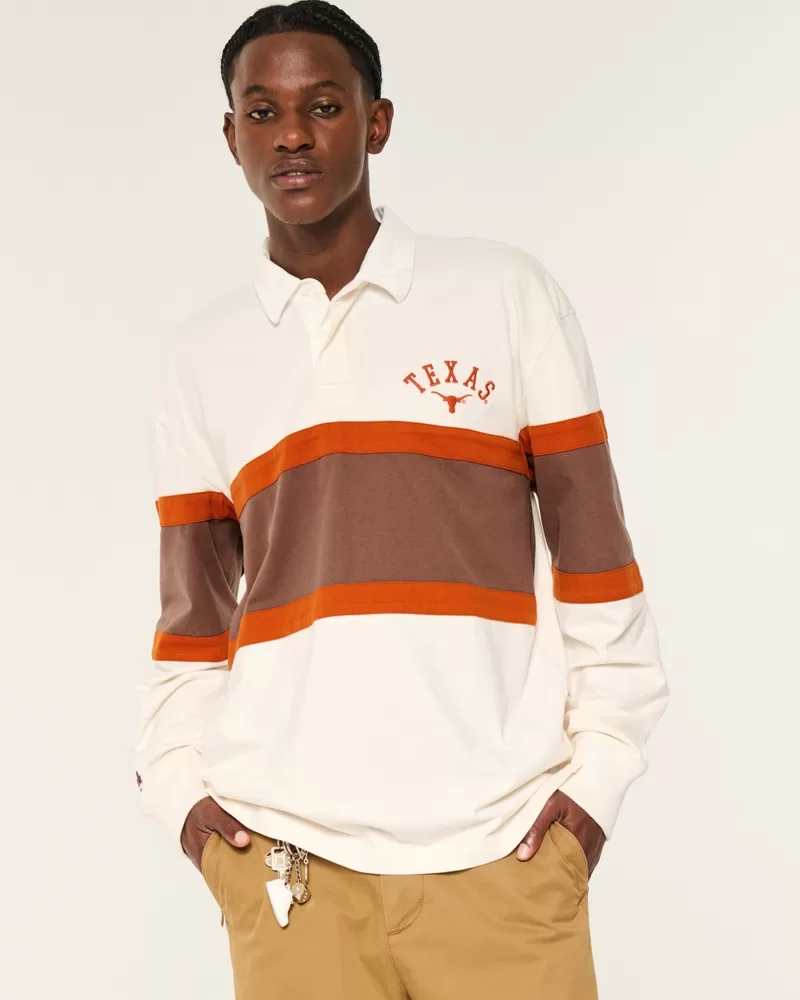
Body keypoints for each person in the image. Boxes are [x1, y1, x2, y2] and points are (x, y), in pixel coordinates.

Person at [133, 2, 669, 997]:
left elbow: (595, 559)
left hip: (504, 856)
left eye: (323, 105)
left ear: (376, 123)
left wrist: (597, 778)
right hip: (289, 868)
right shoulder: (202, 357)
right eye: (263, 111)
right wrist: (181, 797)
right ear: (231, 136)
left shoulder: (504, 294)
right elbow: (193, 618)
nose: (292, 135)